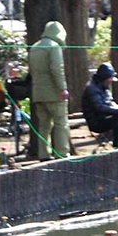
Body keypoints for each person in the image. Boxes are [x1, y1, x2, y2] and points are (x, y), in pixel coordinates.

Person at [28, 20, 71, 161]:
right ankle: (62, 153)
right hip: (54, 93)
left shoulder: (34, 47)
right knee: (60, 123)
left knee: (43, 125)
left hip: (38, 93)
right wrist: (63, 88)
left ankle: (43, 154)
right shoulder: (54, 47)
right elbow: (56, 69)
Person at [82, 63, 118, 149]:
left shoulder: (104, 87)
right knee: (117, 119)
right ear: (104, 77)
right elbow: (99, 107)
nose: (111, 82)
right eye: (110, 79)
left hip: (107, 117)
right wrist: (117, 112)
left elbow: (111, 102)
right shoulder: (91, 88)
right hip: (97, 122)